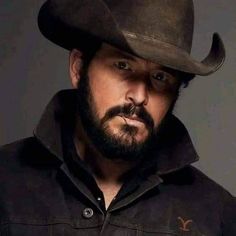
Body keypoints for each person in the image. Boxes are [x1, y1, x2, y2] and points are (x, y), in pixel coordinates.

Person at [0, 0, 235, 235]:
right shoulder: (6, 183)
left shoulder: (217, 216)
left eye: (160, 77)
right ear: (78, 68)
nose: (139, 96)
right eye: (123, 65)